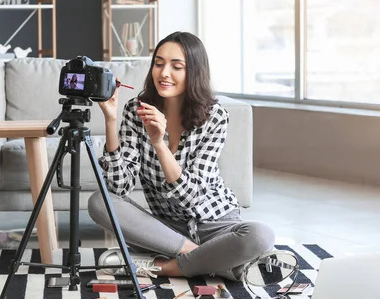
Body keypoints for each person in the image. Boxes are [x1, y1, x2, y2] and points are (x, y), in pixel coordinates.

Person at [88, 31, 275, 281]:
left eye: (177, 66)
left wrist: (159, 144)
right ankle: (209, 261)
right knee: (99, 201)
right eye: (159, 63)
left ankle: (167, 267)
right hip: (168, 231)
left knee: (260, 236)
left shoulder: (214, 116)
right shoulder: (136, 110)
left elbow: (191, 198)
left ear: (194, 73)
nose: (164, 73)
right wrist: (110, 120)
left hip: (216, 222)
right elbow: (118, 187)